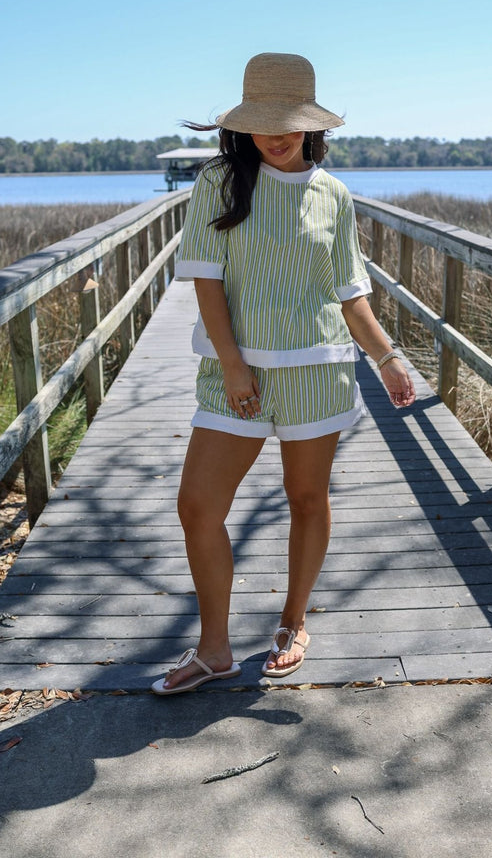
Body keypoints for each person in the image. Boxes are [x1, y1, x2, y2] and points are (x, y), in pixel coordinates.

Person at [151, 53, 415, 695]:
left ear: (311, 124)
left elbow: (349, 292)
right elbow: (206, 282)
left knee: (306, 498)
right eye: (262, 122)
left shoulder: (333, 194)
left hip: (317, 371)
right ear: (241, 125)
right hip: (234, 377)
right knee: (197, 506)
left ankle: (293, 624)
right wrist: (234, 365)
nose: (275, 135)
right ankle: (215, 649)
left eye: (289, 122)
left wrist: (387, 358)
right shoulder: (219, 183)